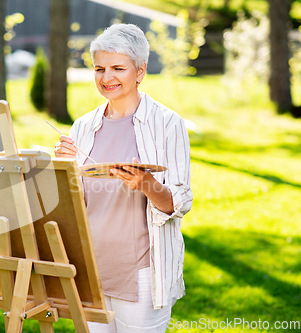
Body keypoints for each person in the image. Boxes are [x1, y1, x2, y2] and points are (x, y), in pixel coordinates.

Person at [54, 24, 193, 333]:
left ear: (140, 71)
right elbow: (73, 203)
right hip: (90, 267)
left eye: (118, 68)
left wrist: (146, 185)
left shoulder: (167, 124)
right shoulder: (82, 127)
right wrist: (63, 168)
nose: (107, 78)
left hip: (143, 273)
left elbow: (181, 202)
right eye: (99, 68)